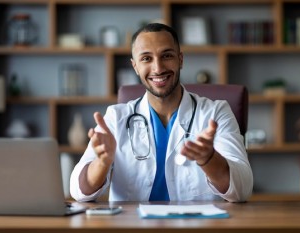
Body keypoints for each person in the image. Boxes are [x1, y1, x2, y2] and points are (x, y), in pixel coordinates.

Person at [70, 23, 253, 202]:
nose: (158, 68)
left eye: (166, 56)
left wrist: (209, 159)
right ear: (135, 66)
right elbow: (79, 192)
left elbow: (242, 189)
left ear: (180, 59)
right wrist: (102, 163)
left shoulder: (216, 112)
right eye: (146, 58)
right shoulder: (116, 118)